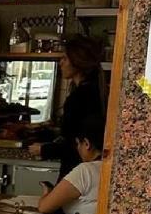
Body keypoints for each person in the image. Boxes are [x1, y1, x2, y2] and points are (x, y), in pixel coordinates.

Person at [28, 35, 106, 181]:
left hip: (76, 170)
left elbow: (75, 143)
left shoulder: (80, 97)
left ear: (77, 61)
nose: (61, 63)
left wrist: (44, 149)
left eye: (64, 58)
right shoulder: (95, 90)